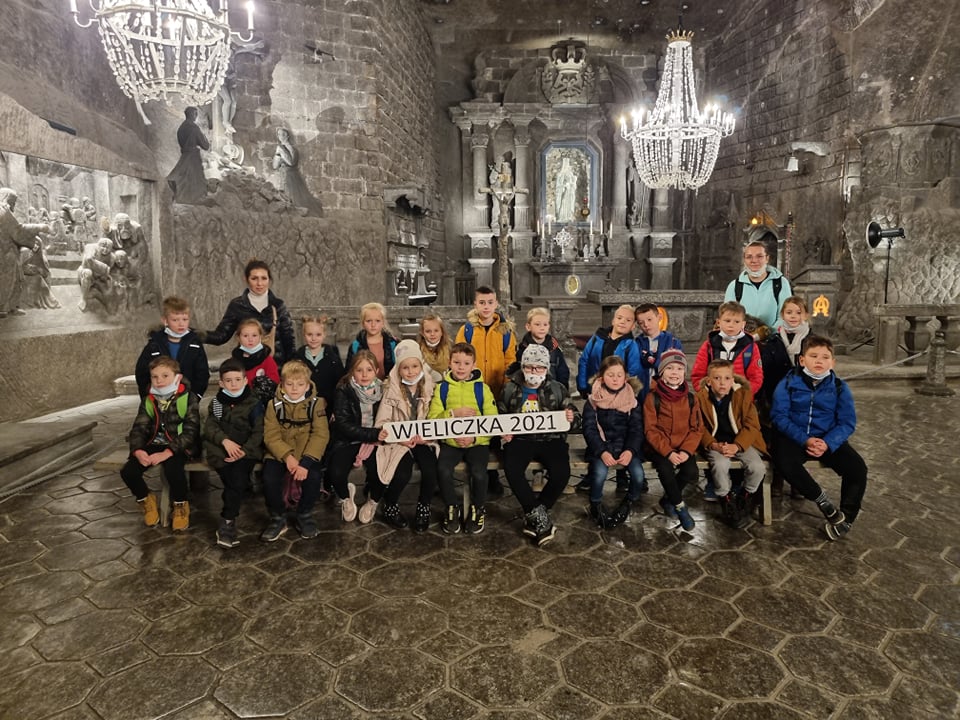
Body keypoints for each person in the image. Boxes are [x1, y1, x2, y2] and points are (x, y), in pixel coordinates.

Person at [771, 335, 867, 540]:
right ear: (802, 360)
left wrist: (827, 443)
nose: (819, 361)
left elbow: (847, 422)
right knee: (784, 461)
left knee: (857, 469)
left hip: (827, 438)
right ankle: (822, 501)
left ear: (832, 362)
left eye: (825, 357)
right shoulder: (787, 383)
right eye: (813, 356)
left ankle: (845, 520)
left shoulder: (840, 387)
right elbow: (779, 416)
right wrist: (805, 440)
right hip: (795, 437)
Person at [499, 345, 580, 546]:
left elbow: (575, 416)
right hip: (520, 440)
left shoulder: (557, 388)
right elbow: (499, 414)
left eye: (539, 367)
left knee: (561, 473)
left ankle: (535, 514)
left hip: (550, 440)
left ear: (546, 368)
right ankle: (537, 515)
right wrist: (503, 431)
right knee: (512, 469)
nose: (534, 371)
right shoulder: (509, 388)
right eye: (529, 366)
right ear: (523, 367)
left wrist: (571, 418)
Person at [361, 340, 438, 532]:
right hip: (399, 440)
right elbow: (382, 422)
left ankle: (424, 507)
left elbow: (435, 417)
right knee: (402, 473)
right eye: (405, 367)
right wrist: (398, 437)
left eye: (414, 366)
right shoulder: (391, 389)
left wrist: (427, 437)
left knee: (430, 469)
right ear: (398, 369)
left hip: (422, 439)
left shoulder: (430, 387)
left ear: (421, 366)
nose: (410, 372)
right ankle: (391, 504)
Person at [121, 357, 201, 532]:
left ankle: (180, 505)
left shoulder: (188, 397)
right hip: (155, 442)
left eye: (165, 375)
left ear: (177, 377)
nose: (159, 380)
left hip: (180, 445)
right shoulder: (149, 399)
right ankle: (145, 499)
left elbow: (191, 430)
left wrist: (168, 452)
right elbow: (139, 427)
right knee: (128, 472)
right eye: (155, 377)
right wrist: (138, 450)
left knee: (173, 470)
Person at [428, 342, 498, 535]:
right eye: (457, 362)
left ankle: (478, 509)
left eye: (466, 363)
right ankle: (451, 507)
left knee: (479, 473)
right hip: (451, 442)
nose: (461, 367)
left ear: (473, 365)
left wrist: (474, 438)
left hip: (477, 443)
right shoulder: (442, 389)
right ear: (449, 363)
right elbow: (433, 419)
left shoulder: (482, 389)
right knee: (443, 470)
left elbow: (492, 420)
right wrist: (453, 413)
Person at [455, 286, 516, 497]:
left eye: (490, 302)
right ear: (475, 304)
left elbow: (510, 361)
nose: (486, 307)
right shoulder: (467, 330)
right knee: (476, 431)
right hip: (473, 391)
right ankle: (476, 472)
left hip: (497, 390)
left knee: (493, 434)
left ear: (496, 304)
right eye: (482, 302)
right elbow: (459, 357)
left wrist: (507, 386)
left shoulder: (505, 331)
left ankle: (493, 476)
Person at [260, 360, 330, 541]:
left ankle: (304, 514)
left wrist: (306, 463)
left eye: (300, 384)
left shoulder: (316, 404)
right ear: (282, 385)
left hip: (307, 452)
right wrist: (287, 456)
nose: (294, 388)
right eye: (289, 384)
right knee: (269, 478)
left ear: (307, 385)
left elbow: (320, 435)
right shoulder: (274, 405)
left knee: (314, 477)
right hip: (280, 452)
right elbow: (271, 436)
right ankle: (278, 517)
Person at [696, 359, 767, 528]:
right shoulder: (700, 398)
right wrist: (713, 445)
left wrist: (737, 446)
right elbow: (699, 427)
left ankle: (746, 496)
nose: (722, 383)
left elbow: (752, 425)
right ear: (709, 381)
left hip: (740, 441)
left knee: (757, 467)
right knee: (720, 465)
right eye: (717, 378)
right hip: (716, 443)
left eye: (727, 378)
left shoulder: (743, 395)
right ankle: (726, 499)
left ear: (732, 380)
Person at [202, 358, 264, 548]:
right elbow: (211, 427)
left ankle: (227, 521)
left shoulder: (254, 403)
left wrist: (244, 450)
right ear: (221, 383)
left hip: (246, 451)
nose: (233, 384)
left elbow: (259, 432)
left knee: (236, 480)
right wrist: (225, 441)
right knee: (235, 480)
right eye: (228, 381)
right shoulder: (218, 402)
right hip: (221, 450)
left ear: (245, 380)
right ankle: (230, 516)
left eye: (238, 380)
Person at [581, 356, 647, 529]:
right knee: (599, 474)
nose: (615, 379)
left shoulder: (632, 401)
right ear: (602, 377)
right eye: (611, 375)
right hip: (601, 448)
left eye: (619, 375)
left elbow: (636, 429)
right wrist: (602, 451)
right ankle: (595, 503)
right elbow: (589, 429)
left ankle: (629, 501)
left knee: (638, 475)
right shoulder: (593, 401)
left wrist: (630, 450)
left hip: (626, 447)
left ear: (625, 377)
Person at [643, 349, 700, 532]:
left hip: (683, 446)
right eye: (669, 368)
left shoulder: (691, 399)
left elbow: (696, 429)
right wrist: (668, 452)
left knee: (690, 471)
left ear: (684, 373)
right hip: (659, 447)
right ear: (661, 372)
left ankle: (668, 500)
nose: (674, 373)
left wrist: (686, 451)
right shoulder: (653, 398)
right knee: (665, 469)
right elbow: (650, 429)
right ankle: (680, 506)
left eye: (679, 369)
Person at [327, 350, 386, 524]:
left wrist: (378, 436)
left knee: (380, 472)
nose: (364, 375)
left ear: (376, 371)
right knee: (336, 472)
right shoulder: (344, 390)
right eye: (359, 370)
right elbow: (343, 424)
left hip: (376, 441)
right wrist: (373, 434)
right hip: (349, 439)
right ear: (353, 371)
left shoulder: (385, 389)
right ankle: (346, 497)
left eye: (369, 370)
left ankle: (372, 501)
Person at [204, 259, 297, 366]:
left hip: (276, 367)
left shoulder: (278, 305)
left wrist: (293, 367)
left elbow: (289, 340)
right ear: (246, 279)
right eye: (254, 278)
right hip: (246, 367)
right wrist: (193, 333)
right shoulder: (237, 305)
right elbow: (221, 336)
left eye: (264, 278)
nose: (259, 283)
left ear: (269, 280)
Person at [135, 296, 209, 401]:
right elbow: (142, 373)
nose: (181, 324)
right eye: (175, 320)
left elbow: (202, 373)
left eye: (185, 319)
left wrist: (196, 396)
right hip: (158, 398)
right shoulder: (154, 344)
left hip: (186, 397)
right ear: (165, 320)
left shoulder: (195, 344)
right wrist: (147, 397)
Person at [691, 301, 764, 396]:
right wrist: (706, 393)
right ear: (718, 322)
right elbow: (698, 375)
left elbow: (756, 377)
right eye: (727, 321)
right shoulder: (709, 345)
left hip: (739, 397)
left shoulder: (750, 347)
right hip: (712, 397)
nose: (731, 325)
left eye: (736, 322)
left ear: (743, 324)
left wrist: (744, 395)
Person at [0, 187, 48, 318]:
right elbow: (18, 232)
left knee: (16, 278)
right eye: (12, 202)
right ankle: (3, 308)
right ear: (5, 199)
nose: (13, 205)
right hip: (5, 253)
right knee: (8, 280)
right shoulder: (3, 211)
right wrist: (39, 228)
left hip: (8, 251)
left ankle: (12, 307)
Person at [724, 240, 792, 331]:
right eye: (749, 257)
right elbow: (728, 316)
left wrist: (767, 333)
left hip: (774, 336)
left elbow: (785, 316)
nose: (754, 261)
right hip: (742, 337)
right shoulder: (734, 286)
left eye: (759, 256)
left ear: (767, 258)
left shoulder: (781, 283)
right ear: (744, 260)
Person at [577, 304, 642, 397]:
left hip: (617, 392)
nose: (623, 322)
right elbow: (584, 361)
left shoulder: (631, 345)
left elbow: (633, 372)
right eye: (619, 318)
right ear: (613, 321)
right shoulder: (597, 338)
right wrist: (583, 386)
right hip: (593, 389)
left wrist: (624, 392)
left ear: (633, 326)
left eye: (628, 320)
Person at [760, 295, 811, 407]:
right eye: (789, 312)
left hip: (805, 392)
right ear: (782, 315)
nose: (793, 316)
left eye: (798, 313)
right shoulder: (773, 341)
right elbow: (767, 369)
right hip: (778, 391)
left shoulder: (813, 341)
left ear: (806, 315)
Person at [507, 307, 571, 390]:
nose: (542, 328)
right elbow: (517, 373)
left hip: (550, 391)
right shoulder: (522, 350)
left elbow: (562, 372)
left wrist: (562, 390)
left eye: (545, 324)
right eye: (537, 324)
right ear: (528, 326)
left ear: (549, 326)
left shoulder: (555, 349)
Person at [292, 314, 344, 416]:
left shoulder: (332, 357)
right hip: (303, 407)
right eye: (309, 334)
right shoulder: (298, 357)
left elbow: (339, 383)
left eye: (318, 335)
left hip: (328, 408)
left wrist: (332, 404)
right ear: (304, 335)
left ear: (324, 334)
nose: (313, 338)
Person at [634, 303, 683, 397]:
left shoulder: (672, 342)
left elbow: (678, 366)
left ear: (659, 317)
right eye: (641, 322)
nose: (646, 325)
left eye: (649, 319)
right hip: (643, 389)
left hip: (667, 389)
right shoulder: (637, 344)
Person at [273, 127, 322, 214]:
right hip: (283, 175)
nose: (281, 136)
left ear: (287, 136)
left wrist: (281, 151)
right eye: (279, 134)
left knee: (295, 198)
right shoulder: (279, 149)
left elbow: (291, 162)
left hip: (292, 177)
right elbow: (274, 166)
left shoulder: (292, 149)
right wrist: (277, 153)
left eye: (283, 134)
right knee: (284, 197)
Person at [166, 106, 210, 204]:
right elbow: (205, 146)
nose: (196, 116)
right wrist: (204, 136)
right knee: (196, 181)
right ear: (193, 115)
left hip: (184, 156)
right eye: (196, 114)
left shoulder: (181, 128)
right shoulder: (194, 128)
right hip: (193, 158)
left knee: (182, 178)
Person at [231, 318, 280, 406]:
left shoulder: (267, 359)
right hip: (239, 401)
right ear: (238, 337)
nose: (250, 339)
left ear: (260, 336)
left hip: (262, 402)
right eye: (245, 336)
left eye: (254, 335)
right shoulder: (234, 361)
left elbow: (275, 382)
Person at [346, 302, 399, 381]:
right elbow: (349, 373)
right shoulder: (356, 346)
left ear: (383, 323)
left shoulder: (393, 343)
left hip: (389, 385)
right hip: (364, 385)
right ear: (363, 323)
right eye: (369, 321)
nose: (373, 325)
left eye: (377, 321)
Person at [417, 312, 452, 382]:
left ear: (442, 332)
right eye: (428, 331)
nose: (432, 334)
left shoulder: (450, 350)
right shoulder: (417, 351)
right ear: (423, 333)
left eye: (436, 330)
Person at [554, 156, 577, 223]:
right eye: (566, 164)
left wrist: (573, 182)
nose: (567, 166)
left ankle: (569, 216)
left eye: (568, 163)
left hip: (570, 193)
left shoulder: (571, 174)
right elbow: (558, 185)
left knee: (569, 204)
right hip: (565, 193)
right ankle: (563, 217)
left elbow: (573, 185)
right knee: (564, 203)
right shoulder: (561, 174)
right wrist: (564, 186)